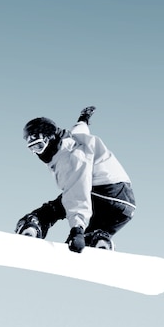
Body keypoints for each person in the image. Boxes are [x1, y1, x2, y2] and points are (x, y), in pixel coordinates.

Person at [15, 106, 136, 252]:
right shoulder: (73, 138)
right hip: (125, 206)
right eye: (32, 149)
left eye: (39, 146)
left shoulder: (69, 157)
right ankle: (98, 241)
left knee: (55, 208)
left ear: (51, 138)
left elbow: (78, 192)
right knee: (85, 238)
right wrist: (84, 118)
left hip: (104, 194)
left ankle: (33, 226)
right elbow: (81, 129)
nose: (38, 153)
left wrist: (77, 229)